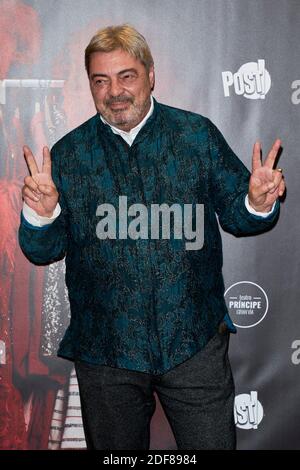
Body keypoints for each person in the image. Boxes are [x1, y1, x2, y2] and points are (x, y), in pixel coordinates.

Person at [18, 24, 285, 450]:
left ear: (150, 75)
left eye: (127, 76)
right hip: (106, 355)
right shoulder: (67, 155)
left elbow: (241, 218)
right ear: (90, 84)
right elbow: (40, 250)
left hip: (193, 344)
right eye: (100, 80)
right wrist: (41, 213)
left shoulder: (197, 136)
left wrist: (256, 200)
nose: (115, 92)